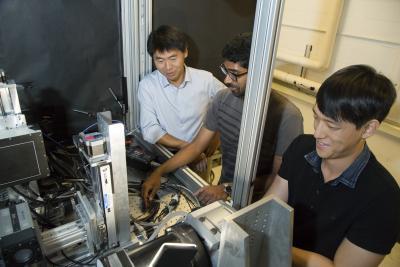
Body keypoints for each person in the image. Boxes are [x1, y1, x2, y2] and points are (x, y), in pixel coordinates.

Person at [142, 32, 303, 207]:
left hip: (260, 202)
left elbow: (280, 179)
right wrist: (159, 172)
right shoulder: (222, 99)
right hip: (224, 192)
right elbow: (196, 147)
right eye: (225, 71)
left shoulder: (288, 116)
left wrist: (226, 188)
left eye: (234, 73)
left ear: (260, 72)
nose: (226, 79)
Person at [265, 65, 400, 267]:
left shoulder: (383, 199)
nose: (318, 132)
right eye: (317, 117)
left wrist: (274, 244)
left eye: (332, 126)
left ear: (368, 128)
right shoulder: (302, 147)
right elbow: (271, 208)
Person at [138, 25, 225, 150]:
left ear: (185, 52)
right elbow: (150, 129)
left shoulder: (205, 80)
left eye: (173, 58)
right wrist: (190, 150)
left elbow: (231, 104)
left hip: (202, 154)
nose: (168, 67)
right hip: (165, 153)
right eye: (160, 61)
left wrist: (217, 136)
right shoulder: (147, 85)